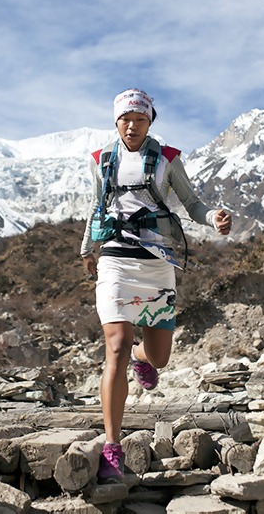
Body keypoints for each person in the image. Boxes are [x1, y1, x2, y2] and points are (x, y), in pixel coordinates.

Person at [79, 88, 232, 481]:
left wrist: (212, 216)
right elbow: (97, 207)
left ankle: (141, 359)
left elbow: (191, 203)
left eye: (140, 119)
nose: (132, 125)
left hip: (157, 263)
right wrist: (87, 251)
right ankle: (112, 446)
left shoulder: (168, 159)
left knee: (159, 357)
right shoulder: (101, 160)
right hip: (114, 259)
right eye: (125, 119)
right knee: (115, 344)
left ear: (150, 121)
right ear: (116, 122)